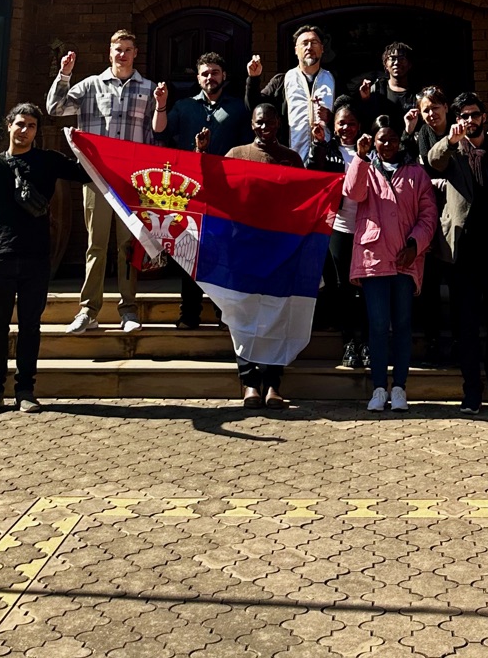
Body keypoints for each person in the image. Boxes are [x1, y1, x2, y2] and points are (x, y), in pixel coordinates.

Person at [0, 102, 83, 416]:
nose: (25, 130)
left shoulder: (47, 161)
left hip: (35, 258)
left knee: (30, 326)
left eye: (31, 126)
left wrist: (91, 144)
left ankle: (25, 390)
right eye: (20, 124)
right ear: (9, 127)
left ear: (37, 132)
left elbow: (85, 173)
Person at [48, 30, 165, 335]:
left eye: (128, 49)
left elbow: (155, 135)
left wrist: (161, 105)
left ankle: (128, 309)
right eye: (117, 50)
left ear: (135, 53)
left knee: (127, 245)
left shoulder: (149, 88)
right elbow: (54, 109)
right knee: (95, 244)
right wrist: (65, 74)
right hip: (96, 178)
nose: (122, 55)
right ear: (109, 52)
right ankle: (89, 311)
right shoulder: (90, 86)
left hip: (130, 181)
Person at [425, 91, 488, 417]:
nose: (469, 120)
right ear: (458, 121)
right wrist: (450, 142)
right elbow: (432, 159)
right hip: (462, 255)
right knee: (465, 327)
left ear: (483, 117)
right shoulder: (451, 155)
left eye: (474, 114)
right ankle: (471, 394)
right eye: (463, 116)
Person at [345, 113, 438, 413]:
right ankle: (377, 388)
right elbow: (352, 192)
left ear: (400, 140)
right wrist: (360, 159)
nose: (387, 144)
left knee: (402, 325)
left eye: (392, 138)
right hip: (373, 258)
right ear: (372, 140)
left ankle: (399, 386)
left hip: (405, 259)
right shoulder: (366, 168)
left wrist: (415, 244)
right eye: (381, 139)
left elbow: (429, 216)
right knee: (377, 324)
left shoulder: (416, 174)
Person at [151, 51, 249, 330]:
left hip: (225, 191)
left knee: (225, 254)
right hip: (189, 190)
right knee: (189, 253)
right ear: (198, 78)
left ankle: (224, 314)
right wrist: (160, 105)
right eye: (205, 73)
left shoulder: (238, 108)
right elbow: (160, 134)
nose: (210, 77)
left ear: (224, 76)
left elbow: (244, 149)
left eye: (215, 72)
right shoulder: (184, 106)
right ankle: (188, 314)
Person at [225, 102, 305, 409]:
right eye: (259, 122)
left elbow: (303, 201)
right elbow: (220, 194)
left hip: (280, 251)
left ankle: (273, 383)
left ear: (278, 124)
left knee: (276, 318)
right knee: (242, 318)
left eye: (270, 122)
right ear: (252, 125)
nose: (264, 127)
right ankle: (249, 384)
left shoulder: (291, 158)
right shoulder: (236, 155)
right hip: (244, 251)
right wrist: (201, 154)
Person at [307, 97, 367, 368]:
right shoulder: (327, 149)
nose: (346, 128)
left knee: (365, 288)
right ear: (334, 124)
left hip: (368, 228)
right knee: (341, 288)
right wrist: (318, 144)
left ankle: (366, 342)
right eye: (341, 123)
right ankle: (348, 343)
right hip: (339, 227)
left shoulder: (370, 149)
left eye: (351, 123)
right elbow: (311, 174)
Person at [401, 85, 454, 365]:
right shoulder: (420, 136)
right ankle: (432, 342)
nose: (431, 114)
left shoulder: (458, 132)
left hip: (457, 218)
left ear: (446, 108)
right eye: (426, 110)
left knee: (457, 283)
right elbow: (404, 165)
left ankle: (458, 343)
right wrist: (408, 131)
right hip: (427, 217)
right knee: (430, 284)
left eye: (435, 107)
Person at [246, 26, 335, 161]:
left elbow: (349, 116)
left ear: (322, 49)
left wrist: (331, 117)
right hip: (289, 159)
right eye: (304, 43)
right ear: (296, 50)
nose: (309, 47)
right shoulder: (282, 81)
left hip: (327, 159)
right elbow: (255, 106)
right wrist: (253, 78)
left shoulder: (333, 80)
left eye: (314, 43)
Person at [357, 42, 419, 117]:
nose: (396, 62)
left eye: (402, 59)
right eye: (392, 59)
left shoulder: (418, 92)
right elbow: (366, 118)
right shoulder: (377, 89)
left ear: (409, 64)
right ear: (385, 64)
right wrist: (365, 99)